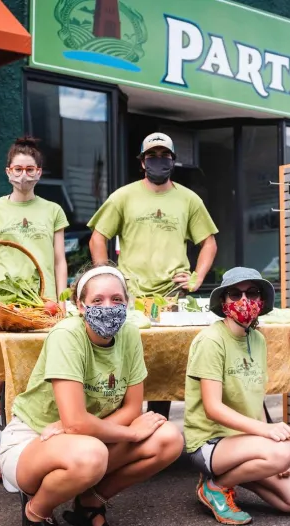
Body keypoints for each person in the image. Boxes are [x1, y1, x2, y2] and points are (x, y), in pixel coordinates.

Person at [0, 262, 183, 526]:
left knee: (169, 438)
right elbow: (76, 424)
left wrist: (82, 426)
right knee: (91, 453)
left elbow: (133, 407)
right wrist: (123, 433)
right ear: (80, 306)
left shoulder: (130, 335)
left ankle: (89, 505)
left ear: (128, 303)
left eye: (116, 300)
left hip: (89, 437)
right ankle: (37, 513)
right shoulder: (67, 335)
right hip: (33, 441)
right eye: (97, 300)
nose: (108, 307)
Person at [88, 132, 218, 418]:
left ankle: (156, 425)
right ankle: (124, 426)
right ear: (142, 163)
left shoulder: (188, 200)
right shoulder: (124, 196)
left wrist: (196, 278)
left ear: (173, 161)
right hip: (132, 298)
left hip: (170, 298)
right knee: (124, 361)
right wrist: (108, 278)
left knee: (163, 366)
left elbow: (209, 242)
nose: (158, 162)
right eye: (152, 157)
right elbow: (98, 238)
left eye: (164, 157)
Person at [184, 267, 290, 525]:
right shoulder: (211, 340)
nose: (244, 301)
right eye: (234, 294)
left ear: (262, 300)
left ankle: (235, 476)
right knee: (283, 452)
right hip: (209, 443)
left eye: (252, 293)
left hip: (244, 443)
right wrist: (269, 439)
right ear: (223, 302)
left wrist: (270, 446)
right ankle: (216, 486)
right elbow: (213, 408)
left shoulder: (257, 339)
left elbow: (254, 401)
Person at [0, 136, 69, 484]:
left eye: (30, 169)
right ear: (7, 171)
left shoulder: (52, 210)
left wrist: (59, 298)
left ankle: (33, 446)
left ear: (39, 173)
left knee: (40, 375)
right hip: (3, 306)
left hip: (41, 306)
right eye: (18, 169)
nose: (23, 174)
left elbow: (59, 260)